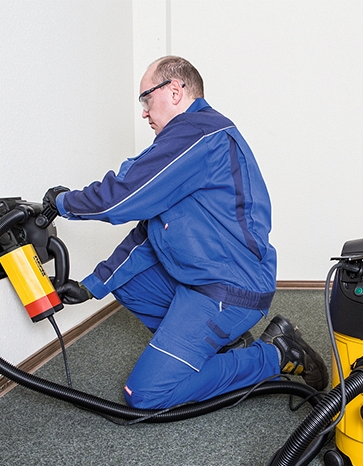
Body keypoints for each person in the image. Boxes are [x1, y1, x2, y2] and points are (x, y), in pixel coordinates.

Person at [42, 56, 328, 410]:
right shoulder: (191, 141)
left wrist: (63, 202)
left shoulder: (197, 134)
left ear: (175, 90)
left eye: (147, 99)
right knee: (127, 282)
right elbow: (148, 234)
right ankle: (223, 347)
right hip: (203, 279)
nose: (144, 112)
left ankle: (277, 353)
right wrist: (92, 286)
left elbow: (122, 197)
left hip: (230, 287)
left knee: (144, 395)